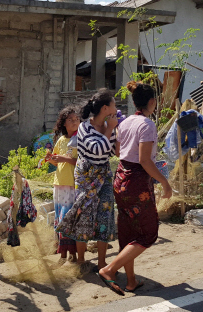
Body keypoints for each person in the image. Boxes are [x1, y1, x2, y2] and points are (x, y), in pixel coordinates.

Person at [97, 82, 172, 296]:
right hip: (137, 182)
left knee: (128, 231)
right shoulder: (147, 125)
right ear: (152, 102)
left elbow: (119, 151)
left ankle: (131, 281)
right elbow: (145, 161)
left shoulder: (126, 122)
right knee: (148, 233)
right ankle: (109, 270)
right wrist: (165, 183)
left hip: (121, 178)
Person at [56, 88, 119, 274]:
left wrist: (116, 130)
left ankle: (101, 263)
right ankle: (82, 261)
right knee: (84, 215)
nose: (116, 108)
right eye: (114, 104)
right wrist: (109, 130)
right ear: (105, 108)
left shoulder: (110, 126)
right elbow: (98, 150)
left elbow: (116, 153)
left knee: (104, 216)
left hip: (104, 174)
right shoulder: (84, 127)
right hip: (86, 175)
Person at [46, 106, 80, 267]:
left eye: (77, 119)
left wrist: (64, 159)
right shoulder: (61, 140)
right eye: (71, 120)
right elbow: (56, 161)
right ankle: (63, 255)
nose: (74, 122)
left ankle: (71, 256)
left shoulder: (80, 139)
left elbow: (80, 162)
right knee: (60, 219)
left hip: (72, 184)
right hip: (59, 184)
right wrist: (50, 159)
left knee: (68, 220)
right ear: (63, 124)